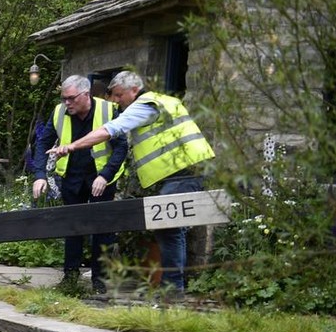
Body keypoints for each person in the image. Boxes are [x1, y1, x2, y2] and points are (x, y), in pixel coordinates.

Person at [48, 69, 216, 293]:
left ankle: (173, 292)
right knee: (171, 230)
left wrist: (72, 146)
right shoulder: (165, 100)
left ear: (134, 90)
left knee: (170, 230)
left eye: (119, 95)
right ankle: (172, 289)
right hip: (186, 170)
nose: (116, 101)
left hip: (183, 172)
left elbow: (111, 130)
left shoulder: (144, 105)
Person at [32, 75, 128, 292]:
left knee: (102, 230)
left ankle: (100, 282)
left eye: (71, 98)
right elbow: (43, 143)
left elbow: (121, 147)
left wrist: (105, 175)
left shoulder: (108, 110)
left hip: (102, 177)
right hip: (72, 177)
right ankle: (70, 278)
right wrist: (40, 175)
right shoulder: (59, 113)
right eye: (64, 98)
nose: (67, 103)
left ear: (86, 95)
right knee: (73, 227)